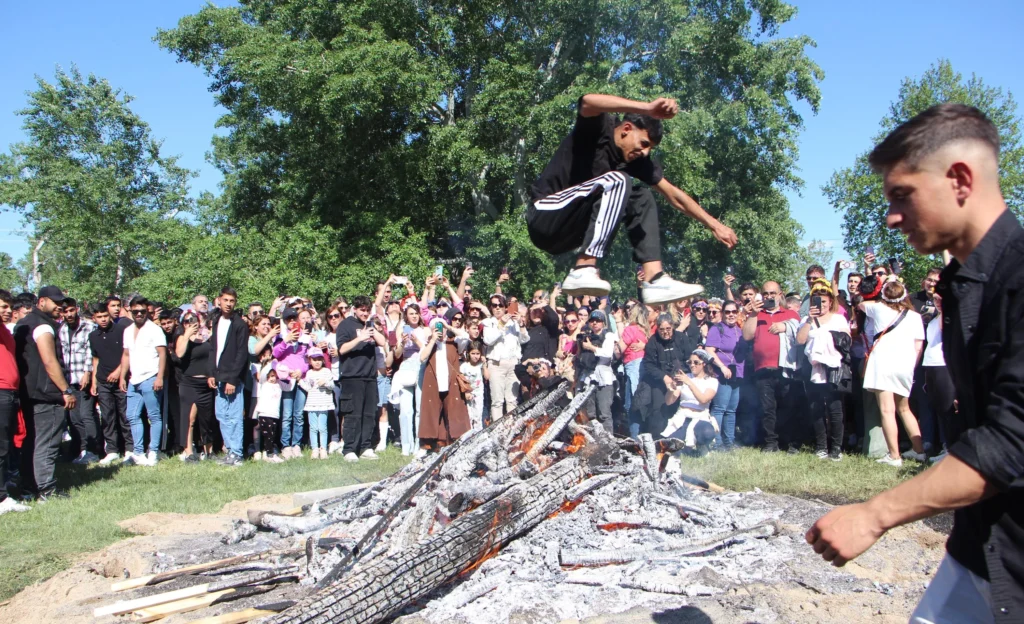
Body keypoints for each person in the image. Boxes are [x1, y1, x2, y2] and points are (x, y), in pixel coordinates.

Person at [805, 104, 1024, 622]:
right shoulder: (967, 286)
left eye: (903, 195)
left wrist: (876, 514)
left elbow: (1011, 443)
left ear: (961, 180)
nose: (891, 216)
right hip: (981, 550)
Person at [526, 93, 737, 303]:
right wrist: (646, 108)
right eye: (644, 143)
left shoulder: (635, 161)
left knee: (641, 196)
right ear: (627, 129)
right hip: (545, 215)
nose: (645, 152)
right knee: (619, 180)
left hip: (567, 235)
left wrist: (714, 224)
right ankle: (584, 267)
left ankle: (654, 279)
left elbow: (674, 195)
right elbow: (587, 101)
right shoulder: (598, 129)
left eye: (650, 148)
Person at [14, 287, 74, 499]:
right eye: (55, 302)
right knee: (47, 443)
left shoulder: (24, 323)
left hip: (27, 392)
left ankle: (29, 488)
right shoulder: (43, 326)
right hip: (46, 393)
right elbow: (49, 361)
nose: (60, 307)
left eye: (62, 303)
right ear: (41, 302)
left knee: (32, 442)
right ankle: (46, 490)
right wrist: (65, 390)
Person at [859, 278, 926, 467]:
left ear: (884, 295)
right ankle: (919, 451)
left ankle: (894, 456)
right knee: (905, 409)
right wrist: (911, 368)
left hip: (883, 364)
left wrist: (883, 291)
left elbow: (862, 303)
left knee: (887, 411)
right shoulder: (915, 316)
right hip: (905, 366)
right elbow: (918, 346)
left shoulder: (878, 309)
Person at [742, 282, 801, 452]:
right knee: (767, 409)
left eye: (773, 293)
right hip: (762, 368)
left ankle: (790, 443)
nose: (769, 296)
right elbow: (747, 335)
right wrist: (753, 313)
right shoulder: (756, 314)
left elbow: (800, 334)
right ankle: (770, 443)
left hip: (786, 368)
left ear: (780, 294)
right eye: (766, 293)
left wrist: (785, 326)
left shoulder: (790, 314)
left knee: (788, 407)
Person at [796, 280, 851, 461]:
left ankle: (836, 447)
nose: (821, 305)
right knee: (816, 407)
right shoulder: (806, 320)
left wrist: (829, 339)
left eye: (824, 302)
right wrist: (810, 321)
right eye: (817, 302)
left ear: (831, 302)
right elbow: (800, 341)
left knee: (835, 408)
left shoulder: (838, 318)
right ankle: (821, 446)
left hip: (833, 366)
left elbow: (847, 341)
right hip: (812, 367)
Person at [337, 296, 387, 462]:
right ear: (355, 309)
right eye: (362, 310)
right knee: (353, 414)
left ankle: (365, 446)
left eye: (367, 310)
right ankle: (349, 449)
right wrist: (360, 337)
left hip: (370, 376)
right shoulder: (346, 325)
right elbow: (342, 349)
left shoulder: (369, 324)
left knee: (368, 414)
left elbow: (383, 342)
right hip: (352, 376)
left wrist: (373, 331)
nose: (365, 313)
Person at [119, 296, 167, 466]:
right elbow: (126, 354)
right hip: (134, 379)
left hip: (151, 377)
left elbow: (162, 354)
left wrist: (159, 377)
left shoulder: (154, 330)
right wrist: (123, 376)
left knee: (153, 416)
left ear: (147, 311)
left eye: (142, 311)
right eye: (135, 311)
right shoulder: (127, 330)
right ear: (130, 310)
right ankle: (138, 452)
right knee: (131, 415)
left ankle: (153, 451)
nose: (139, 314)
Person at [208, 287, 250, 466]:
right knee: (221, 415)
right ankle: (230, 451)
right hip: (218, 376)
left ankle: (237, 453)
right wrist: (211, 373)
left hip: (233, 377)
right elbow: (214, 349)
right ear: (219, 300)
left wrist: (233, 379)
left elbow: (242, 354)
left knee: (234, 416)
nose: (228, 304)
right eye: (225, 300)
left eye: (232, 301)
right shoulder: (217, 321)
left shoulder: (239, 324)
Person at [418, 317, 470, 454]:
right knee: (432, 413)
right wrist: (433, 339)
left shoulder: (454, 343)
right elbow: (422, 357)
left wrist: (449, 326)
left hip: (451, 383)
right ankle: (431, 445)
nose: (441, 330)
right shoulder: (429, 343)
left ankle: (456, 443)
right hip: (434, 383)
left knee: (454, 412)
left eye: (442, 327)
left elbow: (466, 336)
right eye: (437, 327)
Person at [88, 304, 132, 464]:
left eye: (105, 316)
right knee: (107, 416)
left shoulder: (121, 331)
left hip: (121, 380)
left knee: (125, 415)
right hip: (103, 381)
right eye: (99, 317)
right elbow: (96, 359)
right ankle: (112, 450)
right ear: (94, 318)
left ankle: (129, 449)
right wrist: (94, 381)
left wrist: (119, 372)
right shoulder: (93, 336)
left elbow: (127, 354)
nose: (103, 319)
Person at [58, 298, 100, 464]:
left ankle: (94, 450)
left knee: (86, 414)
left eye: (71, 310)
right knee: (74, 417)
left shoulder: (89, 326)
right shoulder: (61, 329)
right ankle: (82, 449)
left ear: (77, 309)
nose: (69, 314)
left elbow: (93, 352)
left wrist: (88, 372)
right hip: (69, 379)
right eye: (65, 311)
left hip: (84, 377)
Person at [174, 311, 216, 461]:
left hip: (205, 383)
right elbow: (179, 354)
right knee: (190, 419)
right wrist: (186, 335)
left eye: (193, 320)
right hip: (189, 383)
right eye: (186, 321)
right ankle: (189, 452)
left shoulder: (206, 338)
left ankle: (209, 451)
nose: (190, 324)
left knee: (206, 418)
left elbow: (212, 357)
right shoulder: (181, 338)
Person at [705, 300, 745, 450]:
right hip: (722, 374)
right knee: (719, 408)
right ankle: (717, 442)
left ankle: (729, 441)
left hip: (737, 373)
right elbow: (709, 350)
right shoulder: (717, 329)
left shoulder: (739, 330)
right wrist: (721, 367)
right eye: (727, 312)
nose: (731, 315)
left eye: (734, 312)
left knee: (731, 409)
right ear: (722, 313)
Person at [662, 349, 719, 454]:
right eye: (690, 362)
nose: (692, 365)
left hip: (700, 416)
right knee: (670, 448)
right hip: (683, 417)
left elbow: (703, 399)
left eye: (696, 362)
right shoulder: (685, 377)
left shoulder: (712, 381)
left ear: (704, 364)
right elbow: (669, 402)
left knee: (707, 433)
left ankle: (702, 445)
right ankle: (688, 448)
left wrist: (689, 383)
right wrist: (671, 390)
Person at [481, 294, 529, 421]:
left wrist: (521, 324)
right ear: (490, 308)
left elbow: (524, 340)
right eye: (494, 305)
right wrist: (501, 324)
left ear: (505, 307)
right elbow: (488, 340)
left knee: (512, 400)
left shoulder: (514, 323)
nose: (497, 308)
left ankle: (511, 429)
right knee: (497, 401)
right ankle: (497, 430)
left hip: (513, 363)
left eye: (500, 305)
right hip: (496, 365)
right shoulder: (488, 322)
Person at [273, 307, 310, 459]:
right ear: (285, 322)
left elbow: (309, 359)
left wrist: (302, 370)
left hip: (301, 379)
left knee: (299, 414)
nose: (292, 322)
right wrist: (285, 342)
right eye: (289, 320)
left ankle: (297, 444)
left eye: (295, 319)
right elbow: (275, 354)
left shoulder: (306, 339)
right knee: (287, 414)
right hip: (287, 381)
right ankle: (285, 445)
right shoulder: (281, 336)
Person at [0, 318, 29, 513]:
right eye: (3, 306)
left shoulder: (4, 329)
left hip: (9, 392)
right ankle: (2, 498)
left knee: (6, 446)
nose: (8, 310)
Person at [577, 309, 617, 433]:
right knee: (590, 413)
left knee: (604, 413)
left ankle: (609, 440)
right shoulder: (586, 336)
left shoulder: (608, 335)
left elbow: (607, 354)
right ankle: (593, 442)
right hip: (589, 377)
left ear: (603, 323)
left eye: (598, 321)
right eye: (592, 321)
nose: (595, 323)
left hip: (604, 377)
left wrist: (591, 347)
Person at [299, 347, 334, 459]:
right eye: (314, 359)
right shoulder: (309, 373)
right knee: (313, 427)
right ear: (310, 361)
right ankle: (315, 449)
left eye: (319, 359)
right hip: (312, 404)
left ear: (323, 360)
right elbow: (308, 388)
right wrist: (299, 381)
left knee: (322, 427)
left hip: (324, 403)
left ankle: (323, 448)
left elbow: (332, 387)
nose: (317, 362)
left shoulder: (327, 371)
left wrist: (326, 383)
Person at [620, 304, 650, 421]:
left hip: (633, 366)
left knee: (632, 405)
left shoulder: (630, 329)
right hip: (644, 366)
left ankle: (635, 437)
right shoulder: (646, 331)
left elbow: (619, 350)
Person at [253, 362, 283, 463]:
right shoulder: (264, 384)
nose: (272, 378)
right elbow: (262, 375)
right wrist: (271, 363)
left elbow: (288, 382)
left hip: (274, 415)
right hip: (265, 414)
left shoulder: (279, 385)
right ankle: (269, 454)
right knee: (268, 435)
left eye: (274, 376)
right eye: (269, 376)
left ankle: (268, 453)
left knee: (272, 435)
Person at [461, 340, 487, 431]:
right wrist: (466, 392)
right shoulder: (464, 366)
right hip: (468, 393)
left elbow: (487, 377)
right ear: (468, 353)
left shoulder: (480, 365)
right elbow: (461, 381)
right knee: (469, 416)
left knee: (478, 416)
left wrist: (484, 365)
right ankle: (470, 435)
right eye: (473, 353)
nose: (475, 356)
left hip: (478, 393)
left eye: (478, 353)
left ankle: (478, 434)